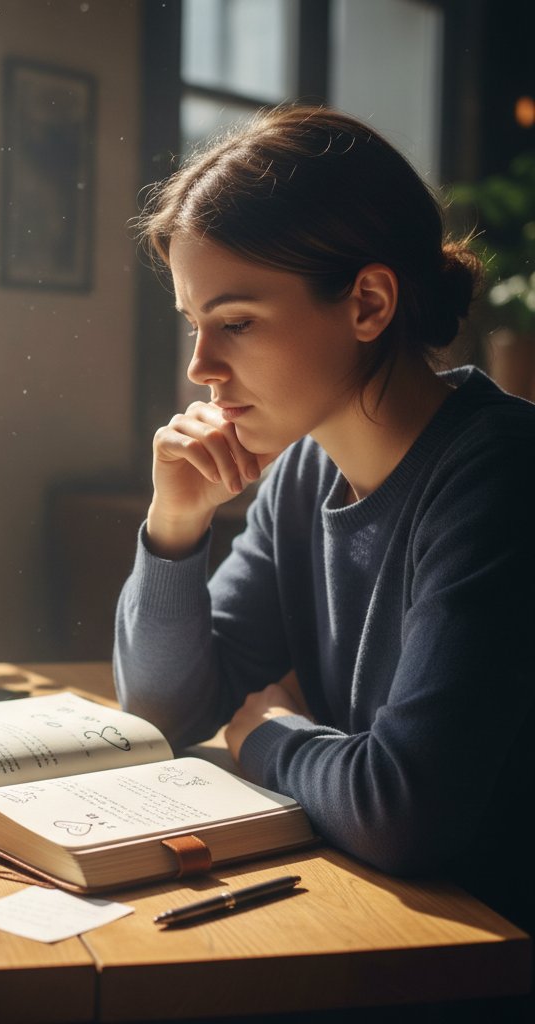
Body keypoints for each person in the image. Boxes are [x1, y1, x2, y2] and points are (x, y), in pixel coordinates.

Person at [114, 105, 535, 936]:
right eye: (194, 325)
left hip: (484, 950)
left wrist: (269, 737)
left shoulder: (502, 474)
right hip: (385, 919)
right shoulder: (306, 472)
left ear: (369, 303)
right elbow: (164, 711)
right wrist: (175, 527)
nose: (201, 368)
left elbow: (402, 809)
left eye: (235, 323)